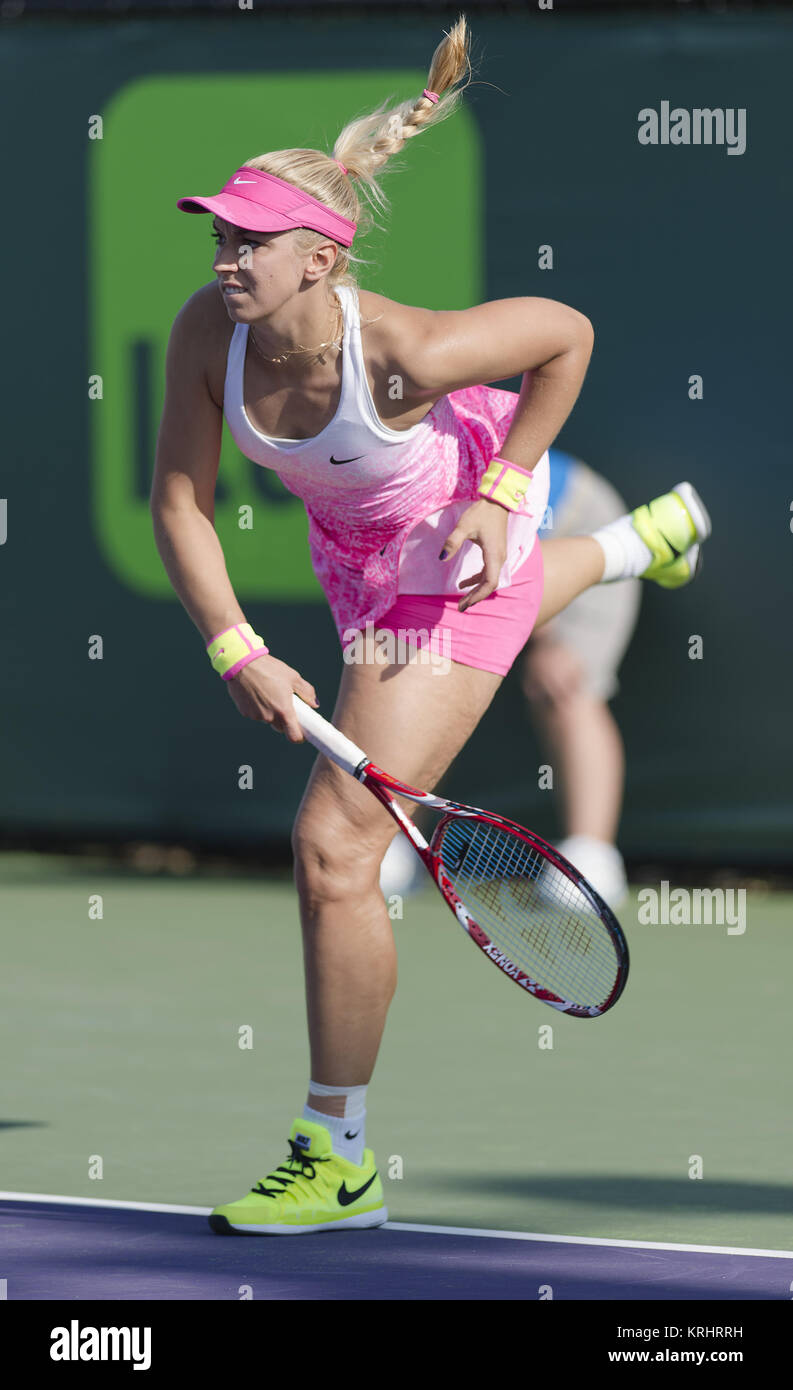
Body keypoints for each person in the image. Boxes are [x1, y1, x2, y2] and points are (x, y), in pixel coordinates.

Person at [150, 16, 711, 1236]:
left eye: (251, 237)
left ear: (320, 259)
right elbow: (179, 502)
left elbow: (566, 335)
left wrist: (507, 488)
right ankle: (634, 545)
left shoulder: (402, 351)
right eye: (219, 231)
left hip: (450, 546)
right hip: (357, 565)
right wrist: (233, 642)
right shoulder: (210, 332)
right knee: (354, 834)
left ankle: (336, 1154)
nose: (226, 253)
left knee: (338, 851)